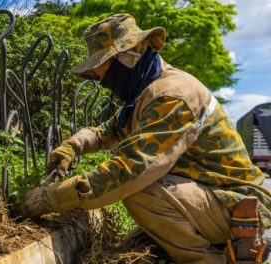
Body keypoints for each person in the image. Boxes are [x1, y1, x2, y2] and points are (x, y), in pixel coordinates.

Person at [20, 14, 271, 263]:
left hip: (236, 204)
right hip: (215, 198)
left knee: (141, 188)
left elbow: (131, 169)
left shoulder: (173, 96)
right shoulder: (148, 93)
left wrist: (50, 197)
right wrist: (71, 146)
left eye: (103, 68)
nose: (100, 78)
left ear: (129, 57)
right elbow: (107, 131)